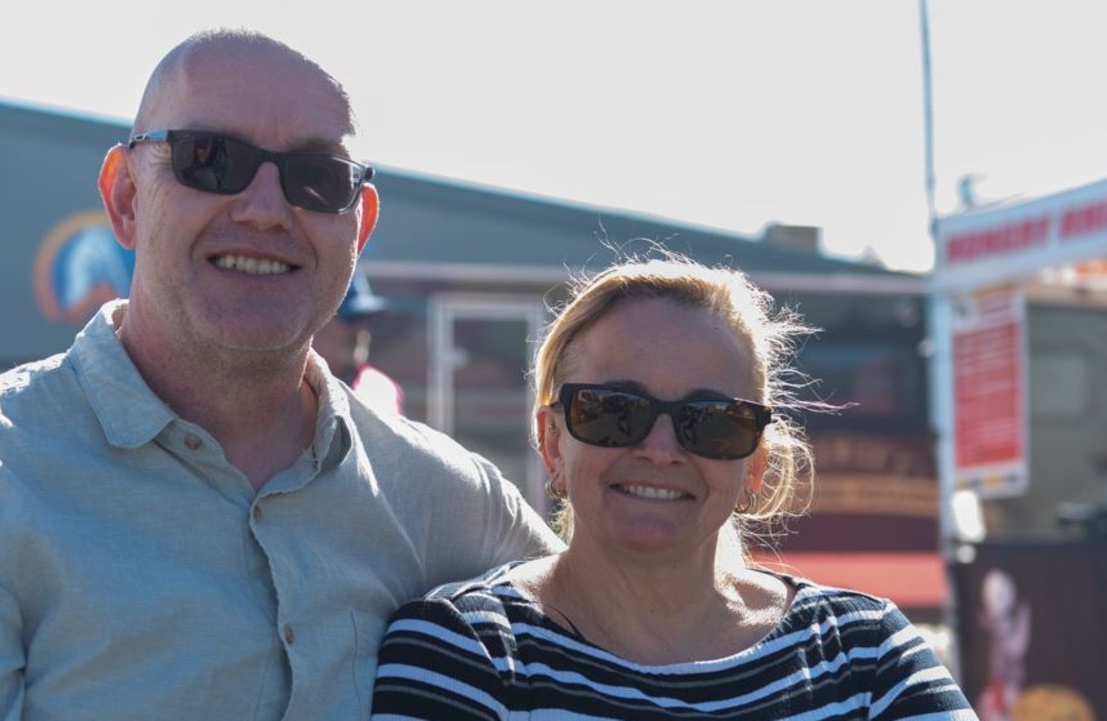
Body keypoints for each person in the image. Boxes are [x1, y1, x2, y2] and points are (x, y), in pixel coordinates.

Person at [0, 28, 560, 721]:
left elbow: (636, 639)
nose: (266, 209)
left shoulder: (451, 502)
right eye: (210, 160)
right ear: (126, 197)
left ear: (357, 227)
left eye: (315, 177)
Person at [371, 255, 977, 719]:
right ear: (553, 440)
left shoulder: (863, 653)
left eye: (710, 422)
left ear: (756, 462)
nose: (660, 450)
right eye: (614, 410)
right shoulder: (465, 649)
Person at [313, 271, 405, 416]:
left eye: (364, 319)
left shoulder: (381, 389)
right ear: (314, 323)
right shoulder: (279, 389)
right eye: (351, 318)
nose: (360, 330)